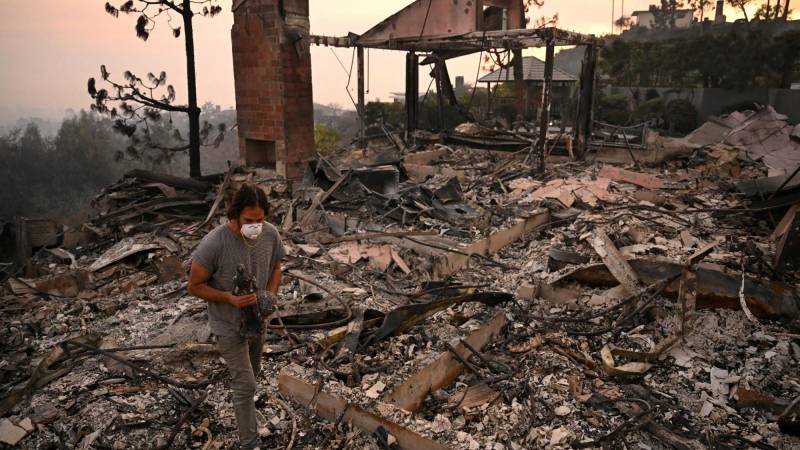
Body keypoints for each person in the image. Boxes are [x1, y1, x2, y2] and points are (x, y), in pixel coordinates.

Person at [188, 184, 284, 450]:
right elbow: (194, 286)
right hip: (228, 324)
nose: (255, 226)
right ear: (234, 216)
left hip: (257, 321)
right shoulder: (214, 243)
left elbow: (277, 267)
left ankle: (247, 420)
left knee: (253, 376)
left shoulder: (271, 235)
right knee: (245, 385)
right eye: (248, 221)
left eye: (260, 220)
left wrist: (270, 295)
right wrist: (229, 298)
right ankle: (249, 443)